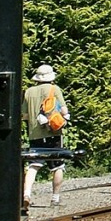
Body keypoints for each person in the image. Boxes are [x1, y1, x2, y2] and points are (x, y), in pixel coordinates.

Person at [22, 64, 70, 212]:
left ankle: (27, 194)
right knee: (57, 165)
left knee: (33, 165)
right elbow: (64, 110)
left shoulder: (28, 92)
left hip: (35, 134)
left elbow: (24, 115)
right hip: (53, 133)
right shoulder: (54, 89)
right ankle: (55, 198)